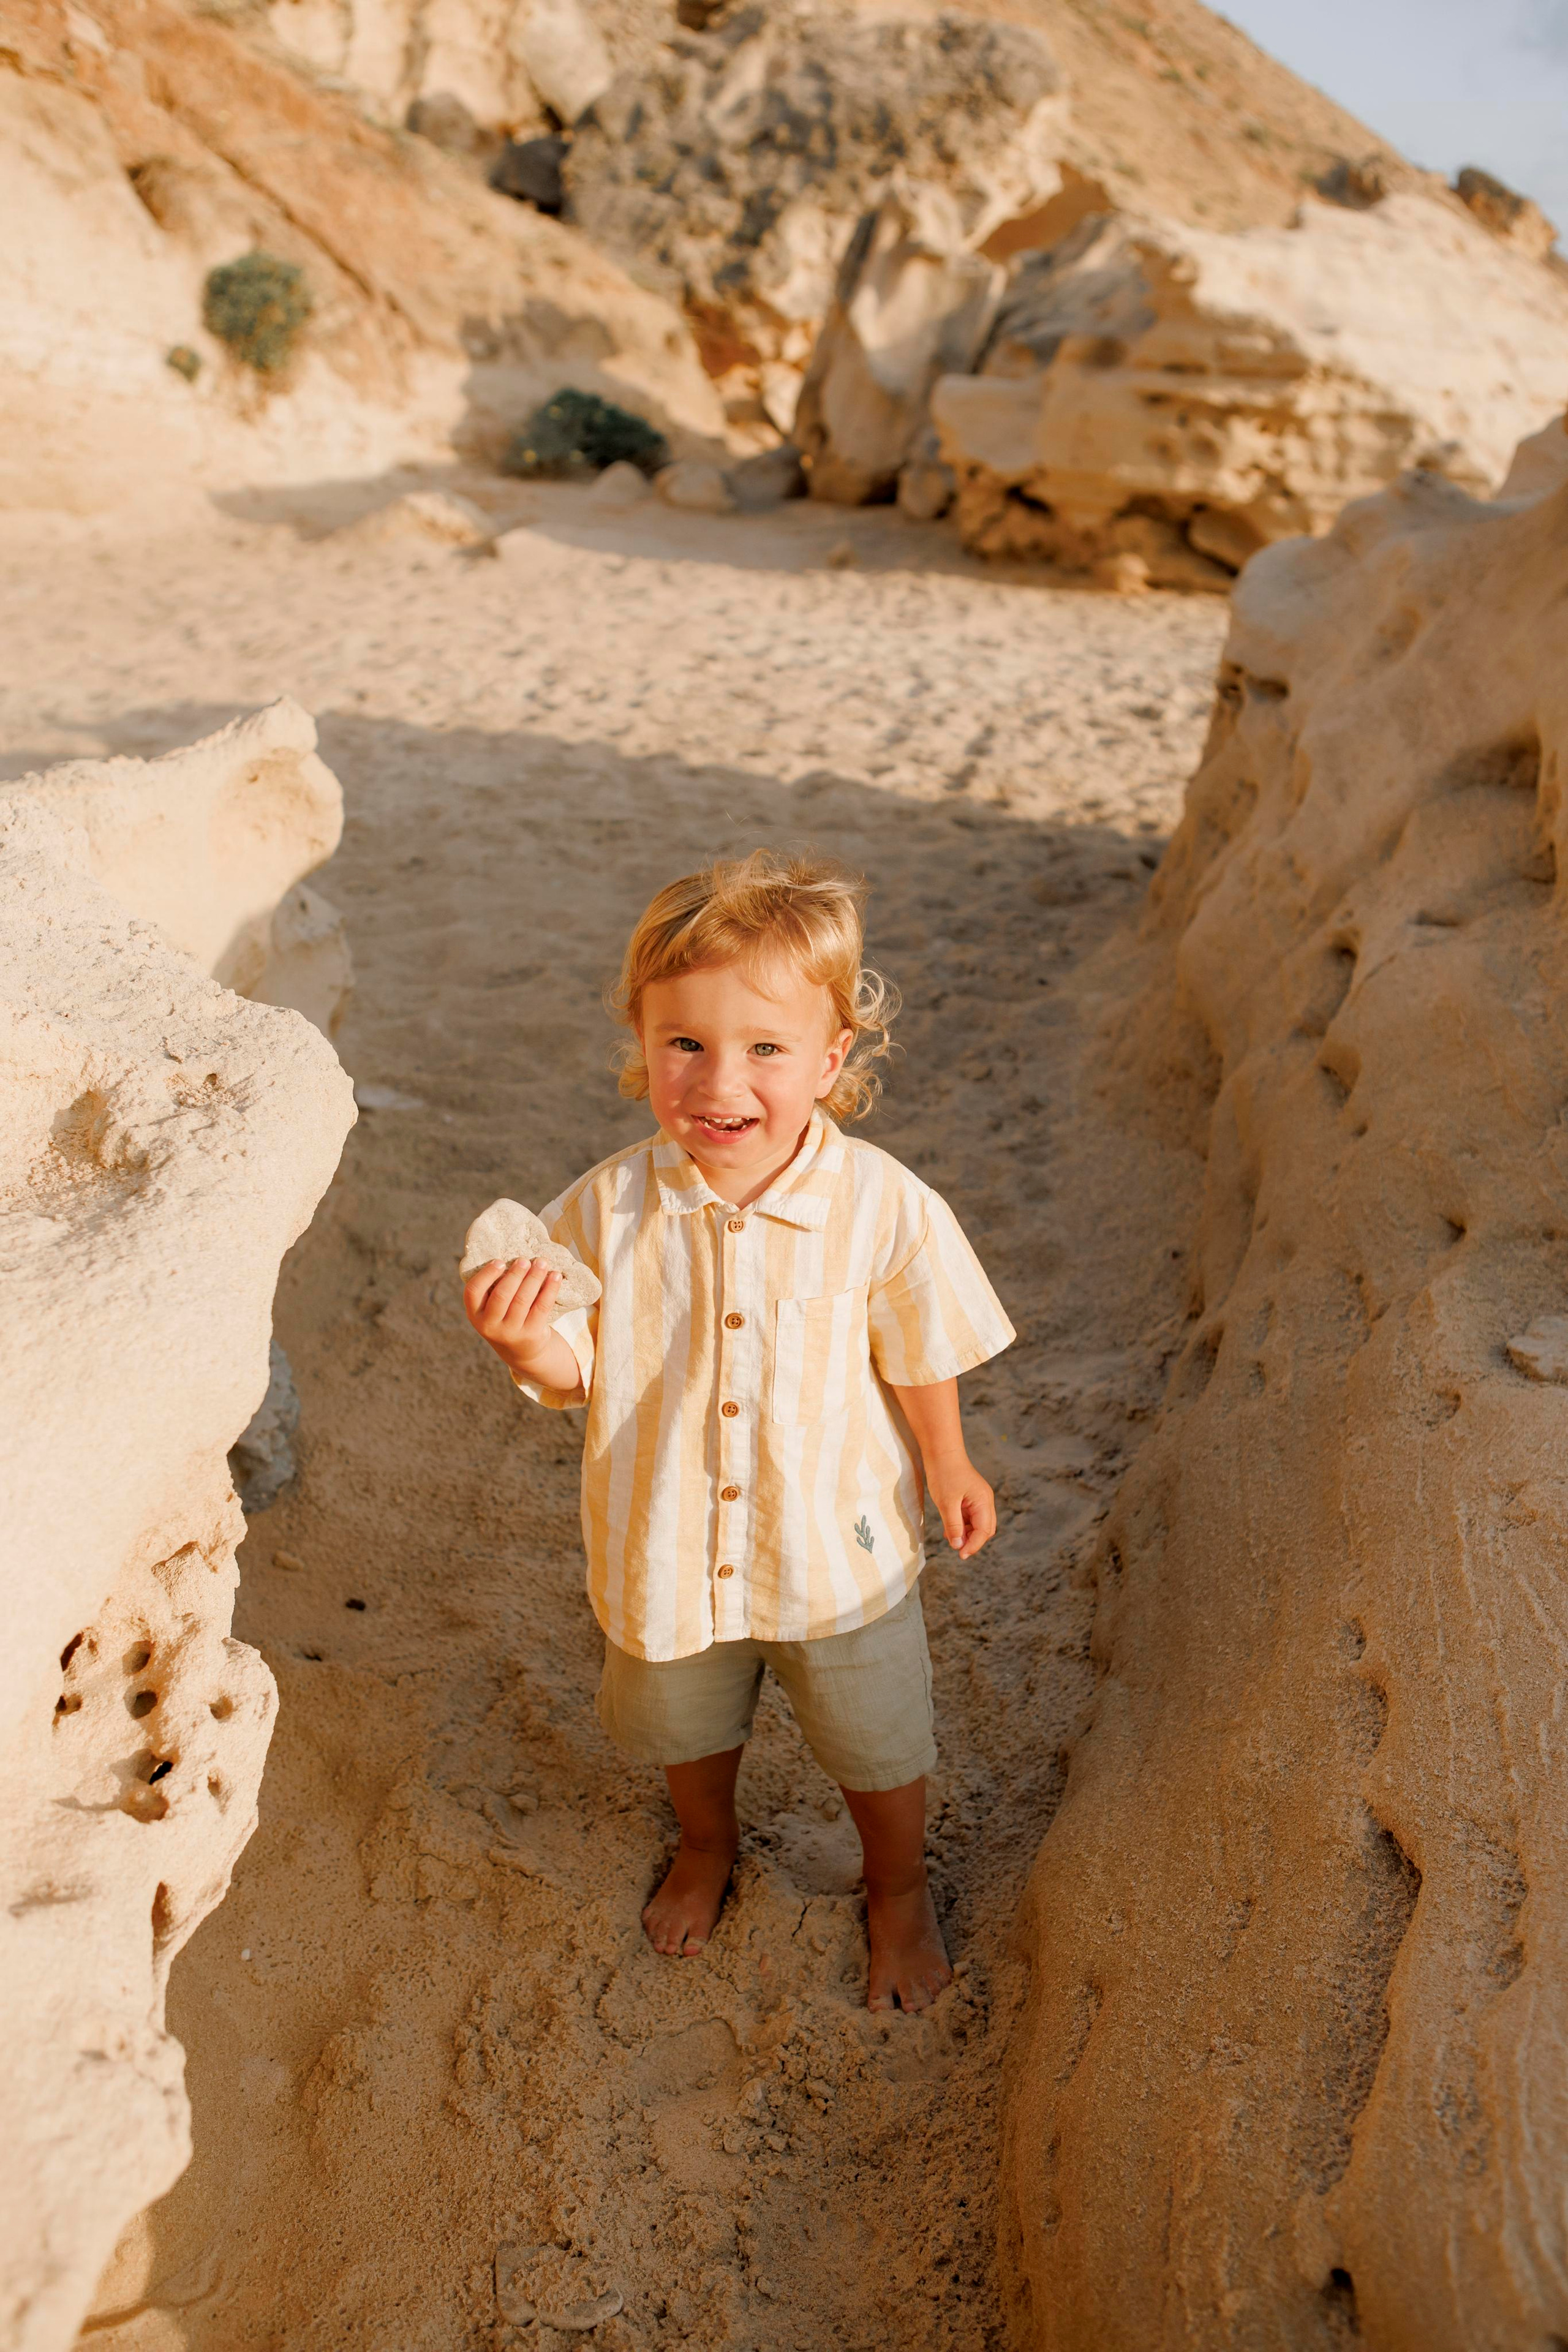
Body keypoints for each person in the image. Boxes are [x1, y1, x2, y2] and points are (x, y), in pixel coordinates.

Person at [463, 850, 1013, 2012]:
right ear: (643, 1039)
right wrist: (525, 1344)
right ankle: (707, 1842)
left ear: (832, 1057)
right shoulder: (606, 1207)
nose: (722, 1081)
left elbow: (920, 1347)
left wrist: (948, 1458)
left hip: (836, 1554)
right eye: (686, 1044)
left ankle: (898, 1887)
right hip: (665, 1544)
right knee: (684, 1718)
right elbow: (582, 1367)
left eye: (766, 1049)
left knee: (877, 1737)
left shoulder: (883, 1204)